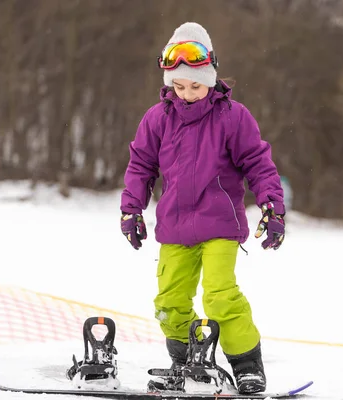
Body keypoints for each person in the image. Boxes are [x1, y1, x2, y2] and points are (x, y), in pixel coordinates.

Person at [119, 22, 285, 394]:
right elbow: (141, 165)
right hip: (175, 226)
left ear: (211, 78)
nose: (187, 94)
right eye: (179, 86)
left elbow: (258, 163)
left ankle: (246, 364)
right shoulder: (158, 118)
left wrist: (272, 207)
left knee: (219, 294)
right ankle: (186, 359)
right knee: (170, 301)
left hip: (220, 225)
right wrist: (132, 209)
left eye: (195, 85)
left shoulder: (232, 116)